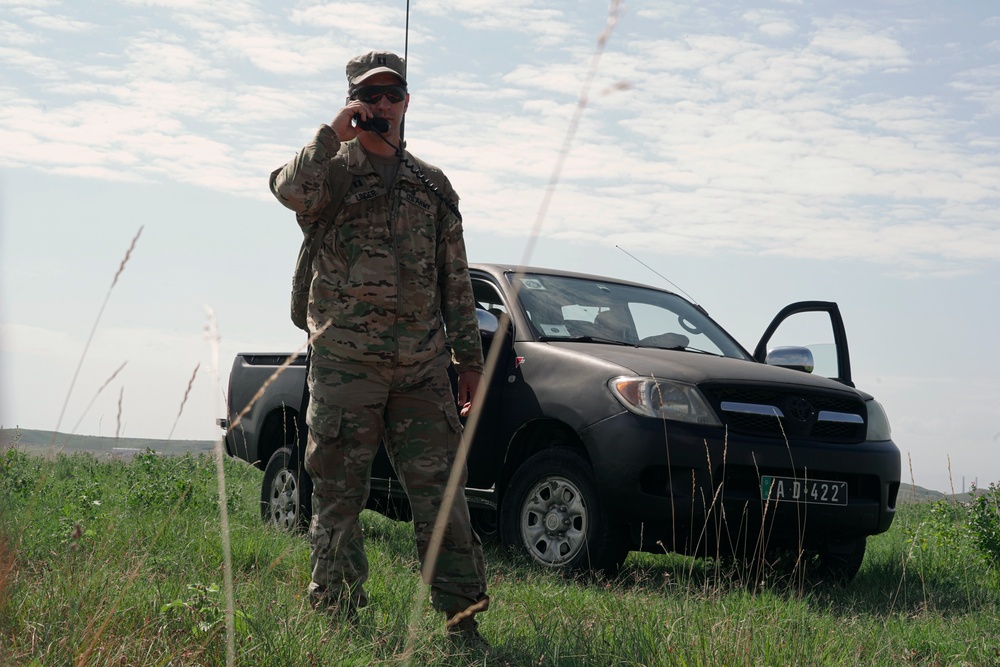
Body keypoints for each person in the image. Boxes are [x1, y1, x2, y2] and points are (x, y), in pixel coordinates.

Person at [269, 50, 490, 647]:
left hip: (421, 370)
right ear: (353, 101)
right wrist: (330, 134)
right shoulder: (331, 171)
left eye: (393, 95)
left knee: (443, 499)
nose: (383, 105)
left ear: (407, 102)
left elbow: (456, 278)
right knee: (338, 494)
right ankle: (337, 617)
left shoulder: (432, 187)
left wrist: (468, 362)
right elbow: (288, 191)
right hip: (346, 364)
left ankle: (461, 625)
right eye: (371, 96)